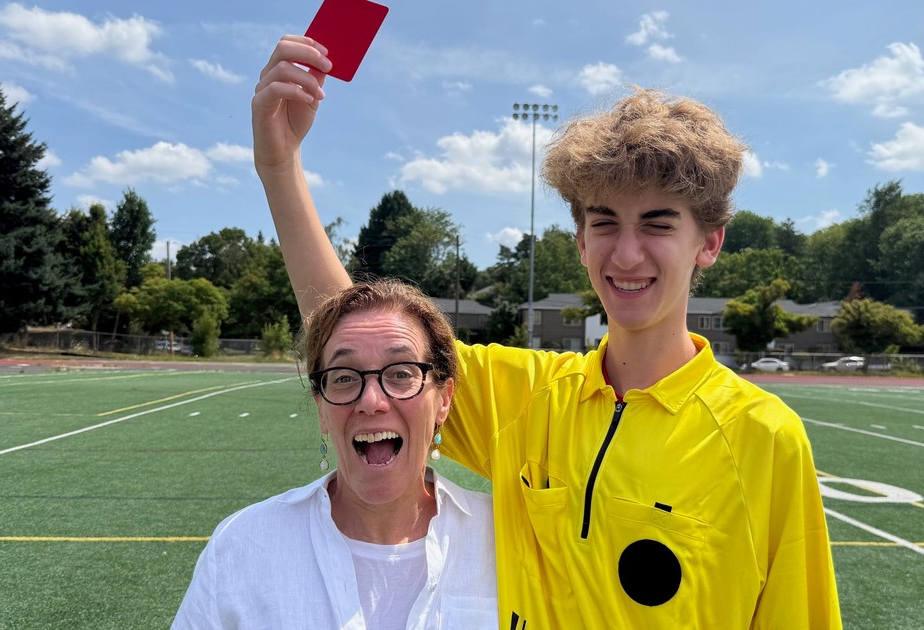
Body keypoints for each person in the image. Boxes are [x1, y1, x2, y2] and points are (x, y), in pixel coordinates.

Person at [253, 34, 842, 628]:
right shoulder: (524, 398)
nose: (628, 253)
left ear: (708, 242)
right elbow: (358, 334)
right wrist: (280, 166)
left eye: (658, 224)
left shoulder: (765, 438)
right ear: (582, 242)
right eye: (604, 222)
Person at [172, 279, 498, 629]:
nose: (372, 401)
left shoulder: (502, 540)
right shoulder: (241, 545)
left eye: (401, 373)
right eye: (344, 377)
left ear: (444, 399)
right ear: (321, 409)